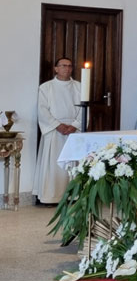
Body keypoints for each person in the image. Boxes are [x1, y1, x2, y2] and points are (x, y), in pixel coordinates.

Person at [33, 57, 81, 204]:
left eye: (69, 66)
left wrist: (75, 124)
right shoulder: (46, 87)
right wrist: (57, 125)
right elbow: (42, 110)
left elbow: (85, 108)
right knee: (54, 164)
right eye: (63, 65)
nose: (67, 68)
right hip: (54, 130)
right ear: (56, 68)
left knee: (72, 164)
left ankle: (74, 196)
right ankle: (51, 196)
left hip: (73, 130)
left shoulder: (79, 86)